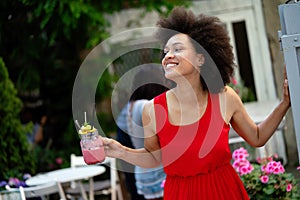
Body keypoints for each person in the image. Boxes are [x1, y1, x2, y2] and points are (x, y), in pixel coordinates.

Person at [103, 7, 290, 200]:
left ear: (201, 58)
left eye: (177, 49)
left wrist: (285, 103)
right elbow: (154, 158)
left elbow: (257, 137)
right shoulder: (152, 109)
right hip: (181, 194)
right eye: (166, 51)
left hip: (224, 191)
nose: (167, 56)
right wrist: (120, 151)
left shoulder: (225, 98)